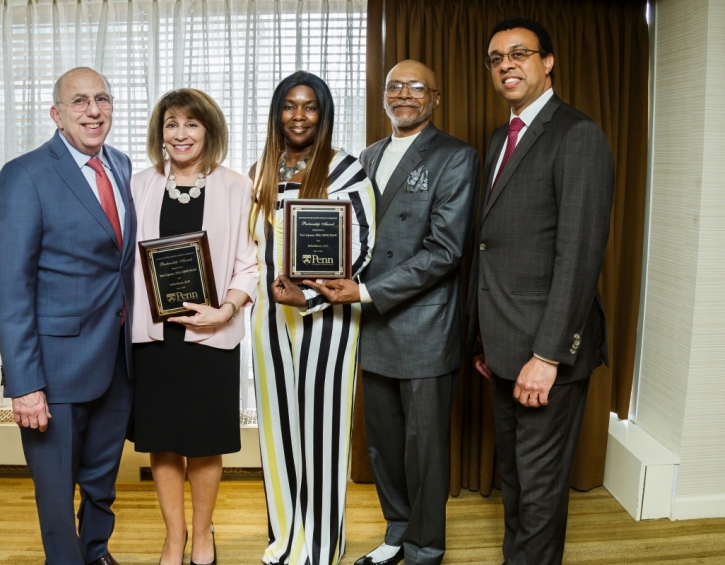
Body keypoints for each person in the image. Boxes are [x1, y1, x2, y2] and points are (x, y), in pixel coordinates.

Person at [306, 60, 479, 565]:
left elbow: (444, 251)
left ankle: (426, 548)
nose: (404, 94)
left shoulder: (455, 156)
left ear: (435, 98)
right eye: (394, 86)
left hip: (422, 326)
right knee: (382, 444)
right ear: (383, 95)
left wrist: (361, 292)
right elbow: (356, 234)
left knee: (423, 449)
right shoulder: (369, 154)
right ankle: (397, 533)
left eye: (416, 87)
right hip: (371, 326)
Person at [466, 18, 614, 565]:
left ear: (547, 62)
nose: (506, 63)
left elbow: (578, 258)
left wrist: (547, 355)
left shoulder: (577, 135)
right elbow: (499, 247)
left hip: (544, 353)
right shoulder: (503, 136)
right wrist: (486, 337)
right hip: (504, 346)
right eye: (496, 56)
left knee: (540, 487)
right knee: (517, 480)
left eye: (520, 53)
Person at [0, 67, 135, 565]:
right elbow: (10, 289)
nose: (93, 111)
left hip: (116, 359)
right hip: (53, 370)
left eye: (102, 99)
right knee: (56, 495)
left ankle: (96, 552)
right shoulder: (24, 175)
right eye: (79, 101)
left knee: (101, 480)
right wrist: (25, 383)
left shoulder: (121, 165)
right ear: (56, 114)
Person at [249, 70, 376, 565]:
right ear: (277, 112)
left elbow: (364, 249)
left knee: (322, 430)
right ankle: (285, 539)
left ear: (322, 114)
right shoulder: (262, 170)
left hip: (329, 319)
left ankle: (321, 546)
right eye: (288, 105)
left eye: (309, 107)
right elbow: (250, 249)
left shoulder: (346, 171)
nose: (298, 116)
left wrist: (315, 299)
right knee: (278, 430)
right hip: (270, 319)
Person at [129, 88, 258, 565]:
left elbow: (250, 263)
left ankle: (203, 536)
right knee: (162, 442)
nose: (180, 133)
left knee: (205, 443)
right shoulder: (138, 185)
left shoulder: (236, 186)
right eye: (171, 124)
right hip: (154, 338)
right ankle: (174, 538)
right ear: (160, 133)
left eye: (191, 124)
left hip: (211, 334)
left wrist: (225, 310)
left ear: (209, 130)